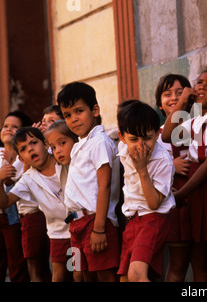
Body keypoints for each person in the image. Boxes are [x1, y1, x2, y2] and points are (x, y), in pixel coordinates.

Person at [161, 70, 207, 282]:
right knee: (199, 258)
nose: (202, 86)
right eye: (199, 82)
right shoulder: (194, 121)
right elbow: (167, 135)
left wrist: (182, 193)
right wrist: (183, 101)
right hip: (197, 191)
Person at [57, 82, 121, 282]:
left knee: (104, 274)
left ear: (95, 110)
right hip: (76, 225)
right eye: (67, 115)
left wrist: (99, 228)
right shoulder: (78, 145)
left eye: (79, 111)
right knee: (78, 273)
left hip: (95, 222)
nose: (73, 119)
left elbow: (105, 186)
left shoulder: (100, 142)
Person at [0, 126, 74, 282]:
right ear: (21, 159)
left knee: (78, 272)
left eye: (34, 143)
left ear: (46, 145)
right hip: (58, 233)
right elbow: (5, 202)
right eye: (24, 149)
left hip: (78, 228)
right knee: (59, 274)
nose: (30, 149)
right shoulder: (27, 178)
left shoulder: (63, 160)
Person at [116, 100, 176, 282]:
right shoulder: (123, 148)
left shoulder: (163, 161)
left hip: (152, 218)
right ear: (122, 137)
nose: (141, 146)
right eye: (134, 139)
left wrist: (142, 169)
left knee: (136, 275)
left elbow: (153, 202)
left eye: (147, 138)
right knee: (126, 278)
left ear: (158, 133)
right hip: (132, 219)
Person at [155, 74, 193, 282]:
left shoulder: (198, 125)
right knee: (178, 264)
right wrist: (172, 166)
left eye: (180, 93)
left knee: (201, 260)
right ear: (159, 104)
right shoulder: (158, 135)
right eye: (167, 94)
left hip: (200, 199)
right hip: (176, 202)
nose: (174, 98)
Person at [45, 121, 83, 281]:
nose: (57, 150)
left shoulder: (82, 164)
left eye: (62, 143)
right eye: (53, 147)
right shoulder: (59, 165)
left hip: (85, 224)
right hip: (67, 229)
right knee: (69, 270)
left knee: (80, 272)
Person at [0, 111, 31, 282]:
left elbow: (16, 185)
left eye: (14, 127)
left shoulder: (24, 157)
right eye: (5, 126)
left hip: (15, 217)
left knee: (17, 262)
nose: (8, 129)